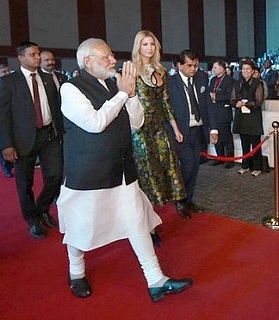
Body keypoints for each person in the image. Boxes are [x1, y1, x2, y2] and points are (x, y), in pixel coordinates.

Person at [57, 38, 192, 301]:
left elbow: (136, 122)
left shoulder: (114, 85)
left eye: (111, 56)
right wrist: (122, 94)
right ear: (87, 62)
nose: (113, 61)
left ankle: (156, 280)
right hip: (88, 172)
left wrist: (130, 95)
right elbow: (95, 123)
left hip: (122, 171)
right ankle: (76, 272)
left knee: (137, 222)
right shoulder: (71, 89)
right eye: (106, 57)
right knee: (80, 225)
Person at [0, 42, 63, 239]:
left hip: (49, 135)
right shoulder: (9, 82)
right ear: (21, 58)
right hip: (22, 139)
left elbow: (56, 108)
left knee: (56, 175)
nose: (37, 58)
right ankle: (32, 219)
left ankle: (42, 208)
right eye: (32, 54)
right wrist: (6, 145)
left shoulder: (48, 79)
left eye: (38, 54)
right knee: (25, 183)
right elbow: (3, 116)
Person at [130, 30, 189, 219]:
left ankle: (177, 202)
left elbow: (166, 102)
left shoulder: (160, 70)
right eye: (145, 44)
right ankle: (147, 220)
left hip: (160, 128)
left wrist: (175, 128)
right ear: (138, 47)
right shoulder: (131, 70)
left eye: (152, 44)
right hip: (140, 129)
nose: (149, 48)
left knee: (170, 164)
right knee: (148, 171)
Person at [167, 50, 219, 218]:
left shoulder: (202, 78)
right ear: (179, 65)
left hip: (199, 130)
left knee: (195, 167)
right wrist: (174, 129)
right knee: (187, 165)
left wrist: (213, 129)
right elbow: (167, 110)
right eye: (189, 65)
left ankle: (188, 200)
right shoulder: (170, 83)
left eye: (195, 65)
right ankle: (180, 200)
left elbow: (208, 105)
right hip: (181, 132)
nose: (193, 69)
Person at [232, 59, 264, 177]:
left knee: (255, 142)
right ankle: (244, 165)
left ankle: (257, 167)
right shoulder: (237, 83)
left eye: (248, 69)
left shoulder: (257, 83)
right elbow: (232, 99)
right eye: (243, 69)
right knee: (244, 142)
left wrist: (246, 103)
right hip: (241, 116)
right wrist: (236, 104)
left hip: (253, 116)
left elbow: (259, 101)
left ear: (252, 71)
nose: (245, 71)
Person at [208, 60, 236, 168]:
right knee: (217, 138)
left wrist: (216, 97)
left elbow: (229, 96)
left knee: (226, 137)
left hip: (224, 112)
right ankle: (219, 158)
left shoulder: (229, 80)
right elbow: (209, 92)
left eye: (215, 67)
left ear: (222, 68)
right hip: (214, 111)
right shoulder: (213, 79)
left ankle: (229, 160)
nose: (213, 69)